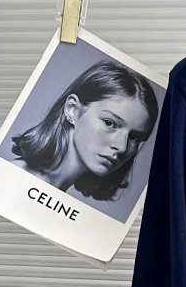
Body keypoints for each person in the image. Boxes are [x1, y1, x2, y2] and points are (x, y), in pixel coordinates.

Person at [11, 58, 159, 202]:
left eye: (135, 137)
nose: (122, 147)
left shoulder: (54, 191)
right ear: (72, 109)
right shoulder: (20, 179)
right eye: (109, 123)